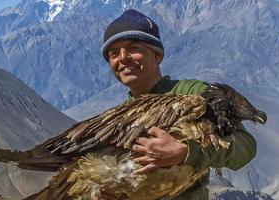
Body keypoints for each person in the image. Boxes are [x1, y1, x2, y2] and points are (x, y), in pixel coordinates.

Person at [95, 9, 257, 200]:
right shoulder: (116, 118)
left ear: (157, 56)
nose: (123, 58)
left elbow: (245, 147)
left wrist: (186, 153)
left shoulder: (194, 95)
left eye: (133, 48)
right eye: (113, 53)